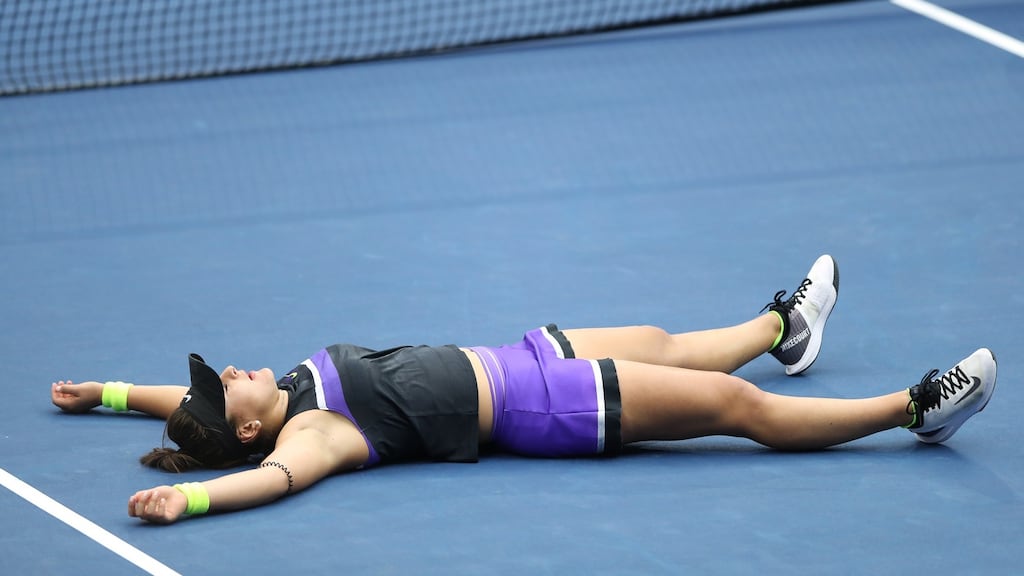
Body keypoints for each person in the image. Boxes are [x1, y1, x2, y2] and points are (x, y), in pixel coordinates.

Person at [50, 255, 998, 525]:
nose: (235, 370)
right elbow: (260, 480)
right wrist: (194, 494)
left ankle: (782, 329)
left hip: (521, 354)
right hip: (545, 408)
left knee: (670, 341)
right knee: (736, 412)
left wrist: (107, 394)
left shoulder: (279, 393)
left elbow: (187, 416)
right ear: (250, 431)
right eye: (227, 390)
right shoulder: (315, 437)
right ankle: (911, 411)